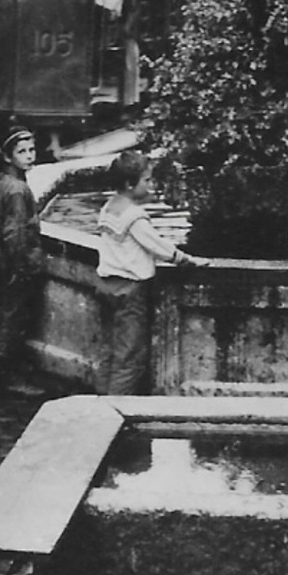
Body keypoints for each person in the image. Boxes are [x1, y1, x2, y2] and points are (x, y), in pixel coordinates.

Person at [95, 150, 195, 393]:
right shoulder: (135, 216)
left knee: (109, 349)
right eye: (147, 181)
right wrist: (184, 258)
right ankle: (116, 407)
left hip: (106, 284)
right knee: (130, 355)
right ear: (130, 184)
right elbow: (158, 246)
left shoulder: (108, 208)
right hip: (130, 290)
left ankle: (100, 398)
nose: (151, 186)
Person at [0, 128, 45, 397]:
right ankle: (5, 378)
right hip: (14, 261)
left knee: (4, 315)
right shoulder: (17, 189)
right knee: (14, 320)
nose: (29, 156)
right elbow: (14, 232)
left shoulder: (3, 180)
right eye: (22, 152)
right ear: (8, 156)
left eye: (31, 150)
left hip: (1, 258)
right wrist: (22, 267)